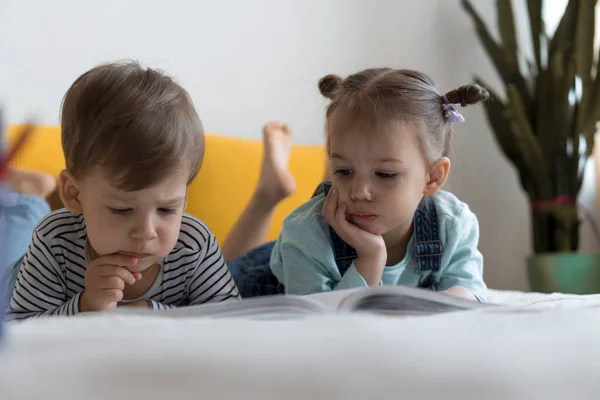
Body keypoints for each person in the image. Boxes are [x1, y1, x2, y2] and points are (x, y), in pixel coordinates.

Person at [5, 61, 240, 321]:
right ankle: (30, 196)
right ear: (74, 194)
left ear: (184, 199)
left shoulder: (194, 244)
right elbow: (21, 327)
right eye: (122, 210)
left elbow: (230, 323)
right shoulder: (54, 240)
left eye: (166, 209)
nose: (146, 232)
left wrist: (150, 314)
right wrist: (85, 307)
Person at [233, 68, 489, 302]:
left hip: (303, 254)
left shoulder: (452, 223)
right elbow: (320, 326)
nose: (359, 192)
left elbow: (471, 292)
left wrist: (456, 300)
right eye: (344, 171)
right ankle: (268, 192)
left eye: (385, 174)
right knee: (212, 282)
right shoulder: (305, 234)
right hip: (273, 271)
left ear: (433, 177)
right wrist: (370, 258)